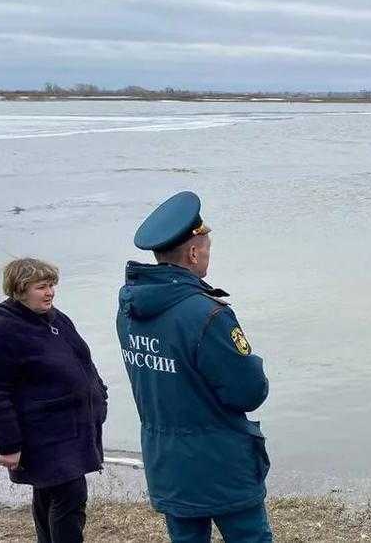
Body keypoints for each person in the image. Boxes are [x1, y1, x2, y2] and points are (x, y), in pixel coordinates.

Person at [116, 191, 271, 543]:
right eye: (207, 250)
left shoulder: (130, 311)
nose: (207, 258)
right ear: (193, 252)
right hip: (220, 462)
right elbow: (249, 391)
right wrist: (253, 362)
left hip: (167, 460)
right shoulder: (206, 314)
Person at [0, 257, 108, 543]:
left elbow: (83, 361)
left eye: (51, 286)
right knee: (70, 497)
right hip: (43, 435)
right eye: (41, 287)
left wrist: (99, 395)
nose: (50, 293)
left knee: (50, 495)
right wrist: (8, 444)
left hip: (71, 429)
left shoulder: (55, 318)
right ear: (19, 290)